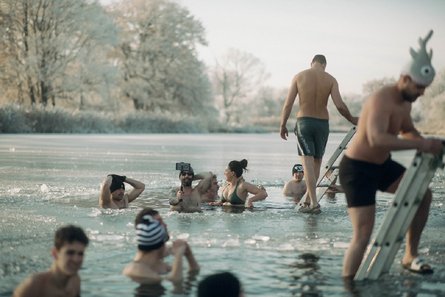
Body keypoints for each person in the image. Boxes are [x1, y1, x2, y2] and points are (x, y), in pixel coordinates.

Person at [339, 30, 443, 279]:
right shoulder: (381, 99)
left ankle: (410, 255)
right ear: (405, 78)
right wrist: (422, 146)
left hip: (382, 166)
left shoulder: (405, 103)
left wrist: (430, 142)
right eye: (419, 87)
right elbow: (377, 139)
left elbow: (407, 130)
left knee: (424, 196)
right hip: (357, 170)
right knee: (363, 235)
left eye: (425, 88)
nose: (422, 93)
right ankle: (347, 286)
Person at [279, 54, 358, 214]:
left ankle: (313, 202)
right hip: (322, 124)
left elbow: (288, 104)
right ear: (324, 65)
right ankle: (309, 199)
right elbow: (340, 106)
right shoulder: (331, 79)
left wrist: (283, 124)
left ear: (312, 63)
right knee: (317, 163)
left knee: (307, 161)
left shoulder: (299, 76)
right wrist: (352, 118)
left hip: (304, 123)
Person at [123, 208, 200, 284]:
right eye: (159, 221)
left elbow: (193, 274)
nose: (165, 225)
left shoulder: (161, 265)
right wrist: (178, 256)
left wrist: (189, 255)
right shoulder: (136, 271)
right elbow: (176, 286)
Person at [13, 225, 89, 297]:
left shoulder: (75, 281)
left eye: (80, 254)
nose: (76, 259)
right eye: (70, 253)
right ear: (55, 254)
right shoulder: (34, 286)